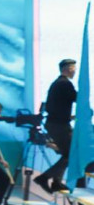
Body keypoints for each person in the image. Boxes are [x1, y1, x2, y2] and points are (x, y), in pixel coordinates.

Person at [34, 59, 77, 193]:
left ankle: (56, 181)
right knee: (71, 154)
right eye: (73, 68)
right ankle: (44, 178)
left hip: (56, 123)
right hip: (59, 125)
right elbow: (77, 98)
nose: (75, 71)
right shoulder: (65, 84)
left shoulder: (57, 84)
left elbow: (54, 107)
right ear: (67, 69)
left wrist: (69, 117)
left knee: (67, 154)